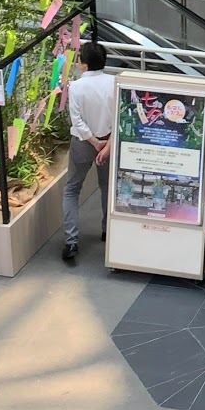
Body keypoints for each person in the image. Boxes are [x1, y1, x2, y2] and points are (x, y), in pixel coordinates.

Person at [62, 41, 114, 263]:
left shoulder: (75, 87)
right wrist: (107, 144)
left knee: (72, 189)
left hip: (84, 143)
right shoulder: (115, 82)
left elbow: (77, 121)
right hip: (109, 142)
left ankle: (71, 241)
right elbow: (121, 116)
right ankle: (108, 231)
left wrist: (94, 143)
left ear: (84, 64)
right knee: (108, 187)